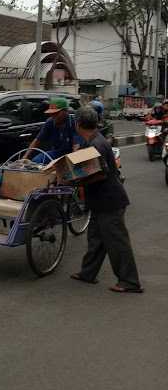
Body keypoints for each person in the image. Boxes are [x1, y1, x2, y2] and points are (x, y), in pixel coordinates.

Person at [70, 106, 143, 293]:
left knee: (117, 241)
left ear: (78, 124)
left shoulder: (96, 144)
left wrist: (77, 181)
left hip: (110, 201)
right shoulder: (93, 141)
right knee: (96, 239)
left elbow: (100, 174)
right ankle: (88, 273)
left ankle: (130, 281)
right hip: (99, 201)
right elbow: (82, 164)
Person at [24, 97, 80, 164]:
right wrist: (25, 157)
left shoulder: (74, 122)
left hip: (73, 152)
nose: (53, 116)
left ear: (65, 111)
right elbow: (37, 140)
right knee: (37, 160)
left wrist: (73, 163)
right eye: (51, 113)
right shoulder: (50, 122)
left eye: (56, 113)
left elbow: (76, 145)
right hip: (57, 152)